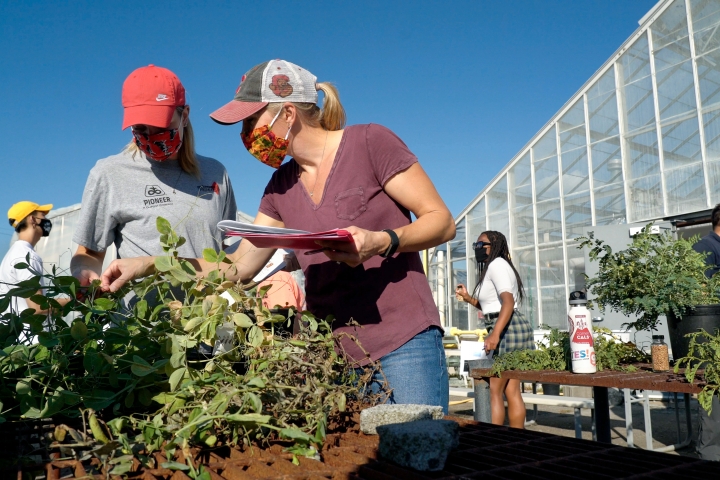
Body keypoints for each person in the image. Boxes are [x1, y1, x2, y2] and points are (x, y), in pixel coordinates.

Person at [99, 59, 456, 413]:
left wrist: (382, 241)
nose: (245, 135)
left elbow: (441, 221)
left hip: (404, 343)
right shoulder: (279, 188)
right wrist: (149, 264)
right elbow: (236, 267)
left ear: (287, 113)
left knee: (418, 455)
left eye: (251, 121)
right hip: (335, 355)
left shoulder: (369, 143)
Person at [70, 65, 237, 286]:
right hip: (142, 320)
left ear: (184, 116)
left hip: (209, 318)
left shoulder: (215, 173)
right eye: (140, 128)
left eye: (160, 126)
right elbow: (88, 252)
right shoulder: (110, 174)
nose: (150, 137)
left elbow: (230, 254)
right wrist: (85, 272)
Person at [455, 231, 533, 428]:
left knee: (495, 389)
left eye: (481, 244)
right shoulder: (497, 266)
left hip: (507, 327)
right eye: (476, 244)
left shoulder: (497, 265)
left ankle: (495, 438)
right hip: (510, 324)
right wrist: (467, 298)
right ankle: (516, 438)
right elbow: (490, 306)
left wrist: (495, 334)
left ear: (494, 245)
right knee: (511, 390)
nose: (477, 248)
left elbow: (508, 302)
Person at [0, 201, 69, 343]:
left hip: (17, 340)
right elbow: (36, 307)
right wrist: (73, 301)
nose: (46, 220)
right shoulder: (26, 256)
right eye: (42, 215)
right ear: (32, 219)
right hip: (32, 342)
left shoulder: (12, 254)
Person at [691, 203, 720, 461]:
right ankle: (710, 458)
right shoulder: (706, 247)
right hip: (713, 340)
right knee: (714, 400)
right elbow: (701, 294)